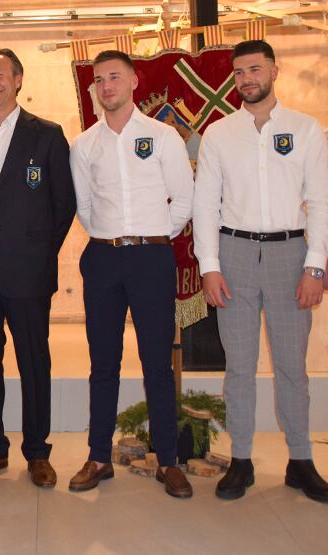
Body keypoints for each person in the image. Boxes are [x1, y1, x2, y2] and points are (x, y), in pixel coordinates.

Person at [193, 39, 328, 503]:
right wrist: (209, 267)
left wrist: (316, 266)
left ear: (275, 70)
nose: (247, 79)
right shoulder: (219, 133)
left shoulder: (306, 129)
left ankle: (301, 461)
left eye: (255, 69)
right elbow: (204, 206)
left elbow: (321, 201)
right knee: (238, 366)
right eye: (239, 73)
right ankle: (241, 460)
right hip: (233, 255)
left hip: (289, 255)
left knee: (292, 366)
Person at [68, 50, 195, 498]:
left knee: (157, 364)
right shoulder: (84, 145)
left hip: (151, 259)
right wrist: (111, 237)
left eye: (114, 77)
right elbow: (83, 207)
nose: (106, 87)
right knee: (102, 364)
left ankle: (169, 461)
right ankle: (98, 457)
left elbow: (184, 198)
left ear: (135, 81)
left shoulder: (163, 137)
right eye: (99, 80)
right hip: (103, 258)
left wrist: (154, 236)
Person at [0, 48, 75, 488]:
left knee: (33, 362)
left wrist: (39, 253)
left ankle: (38, 452)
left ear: (18, 79)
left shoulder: (47, 135)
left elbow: (64, 205)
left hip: (28, 273)